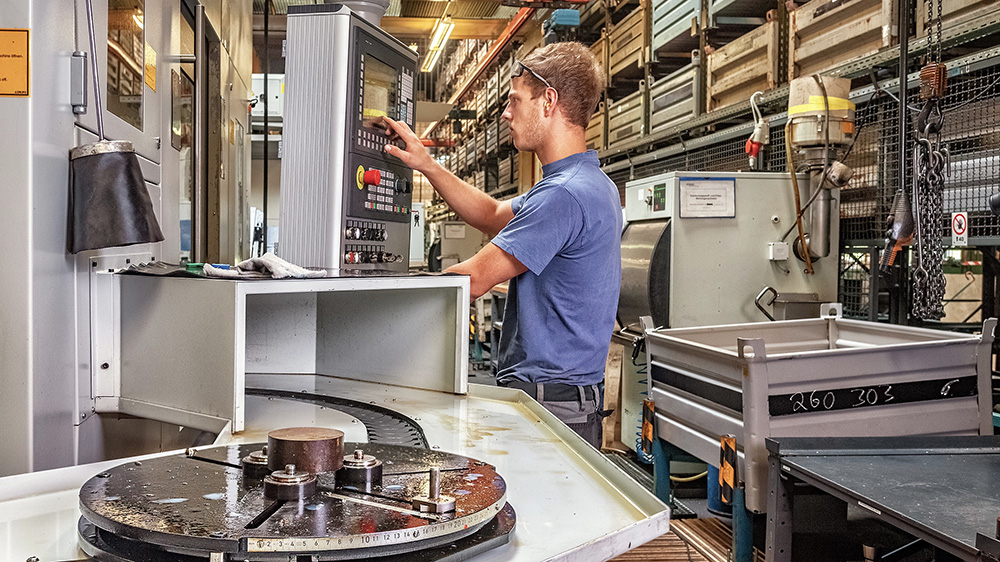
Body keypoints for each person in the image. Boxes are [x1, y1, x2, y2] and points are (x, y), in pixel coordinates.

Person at [382, 41, 622, 448]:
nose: (506, 114)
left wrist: (358, 297)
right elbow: (492, 214)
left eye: (514, 100)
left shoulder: (562, 196)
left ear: (548, 101)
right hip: (570, 401)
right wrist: (426, 164)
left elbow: (470, 280)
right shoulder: (587, 182)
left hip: (552, 408)